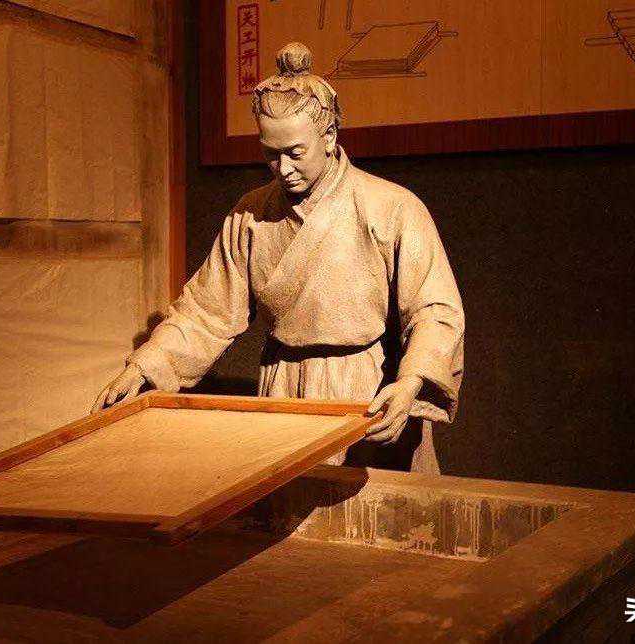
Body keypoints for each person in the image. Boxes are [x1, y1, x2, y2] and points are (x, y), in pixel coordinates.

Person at [93, 42, 464, 473]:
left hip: (367, 389)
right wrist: (145, 366)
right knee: (287, 507)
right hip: (282, 388)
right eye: (271, 154)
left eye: (295, 153)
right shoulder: (251, 214)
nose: (283, 168)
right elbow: (206, 312)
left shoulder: (392, 208)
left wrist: (411, 382)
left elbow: (435, 311)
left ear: (329, 137)